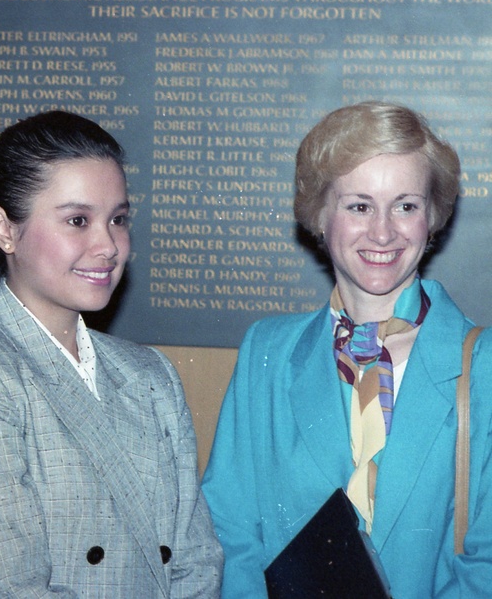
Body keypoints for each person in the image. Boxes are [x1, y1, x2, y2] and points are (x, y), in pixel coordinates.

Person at [0, 110, 224, 597]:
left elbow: (197, 561)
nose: (108, 246)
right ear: (4, 229)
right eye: (78, 220)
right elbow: (5, 587)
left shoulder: (150, 375)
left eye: (118, 220)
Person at [202, 101, 492, 598]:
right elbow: (231, 534)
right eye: (359, 205)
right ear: (319, 213)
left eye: (406, 205)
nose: (383, 232)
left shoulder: (483, 366)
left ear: (433, 217)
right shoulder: (267, 353)